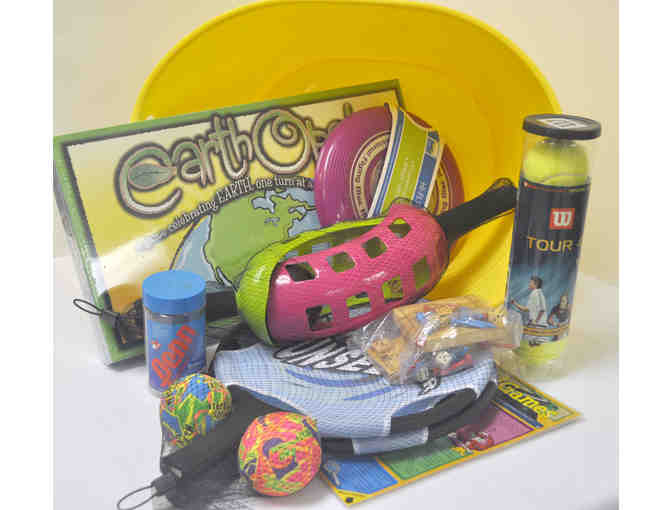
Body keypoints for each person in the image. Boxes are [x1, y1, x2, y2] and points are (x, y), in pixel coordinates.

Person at [510, 276, 548, 346]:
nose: (529, 284)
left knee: (529, 339)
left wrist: (536, 321)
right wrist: (514, 303)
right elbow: (527, 309)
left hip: (538, 325)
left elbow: (542, 310)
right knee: (528, 340)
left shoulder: (536, 294)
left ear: (536, 284)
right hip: (535, 324)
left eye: (531, 282)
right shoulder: (536, 293)